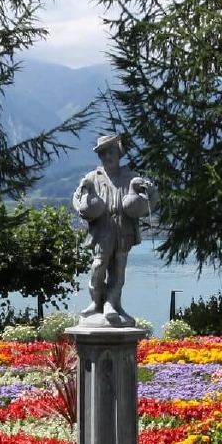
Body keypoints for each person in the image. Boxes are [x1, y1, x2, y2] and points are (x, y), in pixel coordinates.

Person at [71, 134, 154, 325]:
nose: (107, 156)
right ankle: (96, 301)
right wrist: (83, 203)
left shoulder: (131, 177)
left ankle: (112, 303)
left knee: (118, 268)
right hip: (102, 229)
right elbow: (78, 200)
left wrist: (148, 191)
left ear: (118, 153)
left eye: (110, 152)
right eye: (103, 153)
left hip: (123, 229)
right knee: (98, 265)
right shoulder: (92, 177)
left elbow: (150, 197)